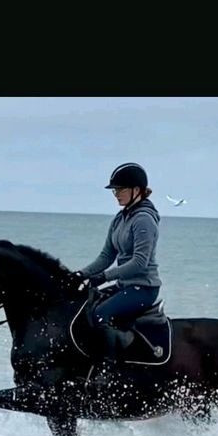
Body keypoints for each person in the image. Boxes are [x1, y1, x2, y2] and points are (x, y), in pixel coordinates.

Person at [70, 162, 161, 384]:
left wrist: (103, 277)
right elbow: (105, 257)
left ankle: (108, 372)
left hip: (143, 287)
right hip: (125, 286)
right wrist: (80, 274)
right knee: (85, 307)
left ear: (137, 190)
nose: (116, 194)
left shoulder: (144, 220)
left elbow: (140, 262)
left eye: (120, 189)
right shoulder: (120, 219)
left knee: (101, 314)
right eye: (115, 190)